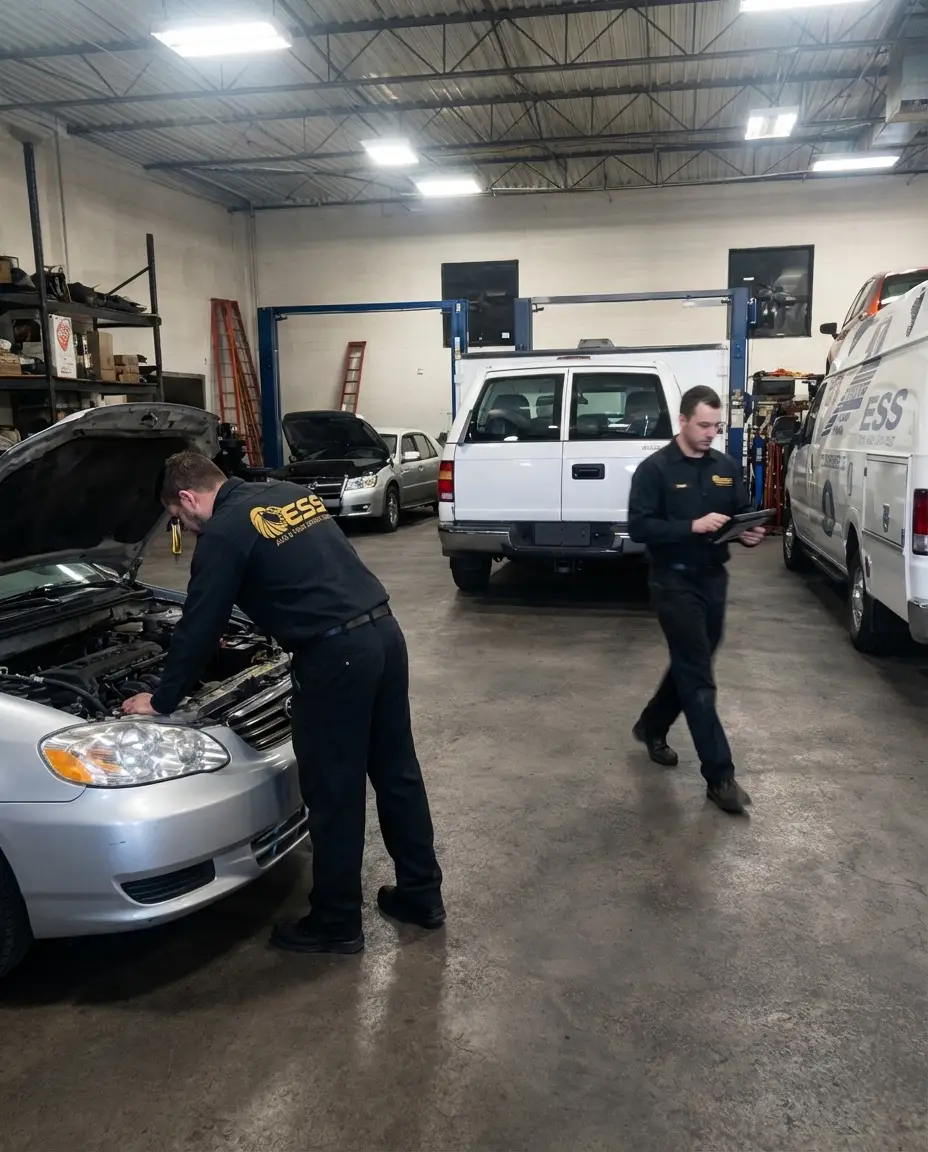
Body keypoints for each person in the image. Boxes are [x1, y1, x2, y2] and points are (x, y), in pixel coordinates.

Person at [122, 452, 444, 952]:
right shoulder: (287, 494)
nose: (183, 529)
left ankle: (336, 924)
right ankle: (422, 897)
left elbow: (199, 627)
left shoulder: (224, 532)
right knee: (397, 773)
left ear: (186, 499)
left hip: (333, 658)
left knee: (334, 794)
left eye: (179, 520)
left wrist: (162, 699)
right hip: (383, 634)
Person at [627, 385, 765, 814]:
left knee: (692, 664)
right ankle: (720, 776)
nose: (710, 433)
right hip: (673, 581)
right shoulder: (654, 470)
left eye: (716, 426)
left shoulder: (724, 466)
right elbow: (639, 527)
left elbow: (740, 513)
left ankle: (652, 723)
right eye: (704, 425)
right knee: (699, 677)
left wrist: (749, 533)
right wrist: (692, 526)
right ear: (683, 421)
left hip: (713, 579)